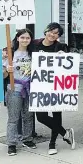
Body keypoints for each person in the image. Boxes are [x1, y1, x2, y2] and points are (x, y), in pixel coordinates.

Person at [34, 22, 75, 155]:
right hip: (40, 85)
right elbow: (18, 49)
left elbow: (69, 67)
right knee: (41, 116)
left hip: (57, 86)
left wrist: (65, 56)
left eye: (56, 33)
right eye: (51, 31)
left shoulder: (61, 47)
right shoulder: (35, 45)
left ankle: (52, 144)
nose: (53, 35)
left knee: (56, 114)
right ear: (46, 31)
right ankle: (65, 133)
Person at [3, 29, 36, 156]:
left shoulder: (33, 54)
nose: (25, 40)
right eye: (22, 37)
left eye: (27, 38)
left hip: (30, 88)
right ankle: (12, 143)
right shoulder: (10, 54)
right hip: (14, 89)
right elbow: (3, 75)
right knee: (13, 118)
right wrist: (7, 69)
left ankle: (27, 139)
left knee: (28, 116)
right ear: (17, 38)